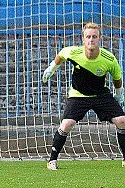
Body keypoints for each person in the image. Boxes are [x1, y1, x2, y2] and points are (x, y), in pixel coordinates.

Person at [42, 22, 125, 170]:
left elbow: (117, 78)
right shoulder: (73, 52)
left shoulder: (109, 58)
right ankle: (52, 160)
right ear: (83, 39)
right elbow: (61, 55)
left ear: (100, 38)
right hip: (78, 95)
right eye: (88, 37)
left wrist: (119, 95)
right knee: (66, 124)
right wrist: (51, 68)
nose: (91, 39)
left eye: (94, 36)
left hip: (100, 94)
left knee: (122, 120)